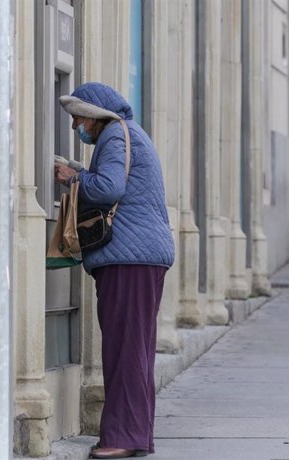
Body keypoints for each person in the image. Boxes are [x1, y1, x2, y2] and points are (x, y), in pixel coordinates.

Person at [54, 82, 174, 459]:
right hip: (141, 257)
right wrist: (78, 169)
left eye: (77, 118)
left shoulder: (114, 135)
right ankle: (135, 433)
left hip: (129, 257)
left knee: (124, 349)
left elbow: (107, 188)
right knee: (134, 350)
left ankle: (123, 437)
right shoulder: (128, 135)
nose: (76, 126)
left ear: (93, 115)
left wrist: (71, 178)